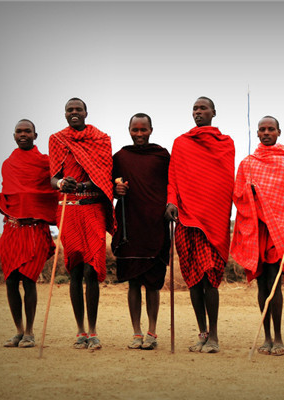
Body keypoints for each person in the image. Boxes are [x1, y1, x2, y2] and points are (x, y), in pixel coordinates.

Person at [165, 97, 234, 353]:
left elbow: (226, 180)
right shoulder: (181, 143)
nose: (198, 112)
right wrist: (171, 202)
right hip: (185, 218)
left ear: (214, 113)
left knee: (210, 276)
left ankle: (214, 336)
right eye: (195, 109)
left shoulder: (226, 144)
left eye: (203, 108)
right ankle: (202, 333)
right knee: (193, 278)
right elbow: (173, 177)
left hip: (213, 220)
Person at [0, 119, 59, 348]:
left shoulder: (46, 163)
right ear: (14, 135)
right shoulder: (8, 164)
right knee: (10, 280)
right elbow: (12, 196)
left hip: (35, 230)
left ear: (36, 135)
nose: (23, 134)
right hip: (12, 229)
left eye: (27, 131)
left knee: (29, 280)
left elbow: (50, 192)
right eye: (19, 131)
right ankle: (17, 331)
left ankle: (29, 333)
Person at [231, 116, 284, 356]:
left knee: (275, 284)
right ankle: (267, 337)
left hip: (279, 230)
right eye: (262, 129)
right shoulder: (247, 163)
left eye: (271, 129)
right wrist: (250, 192)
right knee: (262, 283)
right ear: (257, 133)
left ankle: (279, 338)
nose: (266, 132)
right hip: (256, 231)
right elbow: (238, 196)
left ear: (279, 132)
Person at [49, 97, 115, 350]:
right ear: (65, 114)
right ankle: (80, 331)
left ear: (86, 112)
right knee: (75, 269)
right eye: (69, 110)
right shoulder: (57, 140)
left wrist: (86, 185)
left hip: (93, 209)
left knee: (92, 268)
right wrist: (62, 184)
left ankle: (94, 331)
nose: (74, 113)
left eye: (78, 109)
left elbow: (105, 176)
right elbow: (52, 179)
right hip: (69, 210)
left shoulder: (101, 139)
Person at [112, 113, 170, 350]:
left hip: (155, 224)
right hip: (129, 225)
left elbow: (173, 183)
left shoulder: (162, 155)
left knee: (153, 283)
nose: (139, 134)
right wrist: (117, 189)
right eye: (134, 130)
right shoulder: (120, 157)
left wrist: (171, 205)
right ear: (128, 130)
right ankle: (136, 332)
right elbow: (108, 185)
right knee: (133, 282)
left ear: (151, 130)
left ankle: (152, 332)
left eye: (143, 130)